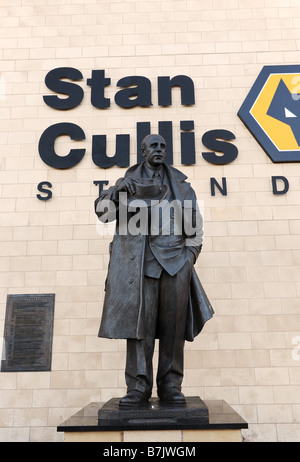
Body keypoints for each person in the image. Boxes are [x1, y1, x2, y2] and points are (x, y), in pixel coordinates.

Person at [95, 134, 214, 407]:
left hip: (176, 264)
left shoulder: (182, 187)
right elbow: (102, 214)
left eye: (163, 146)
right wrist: (116, 192)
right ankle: (138, 387)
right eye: (154, 146)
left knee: (173, 329)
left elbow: (194, 228)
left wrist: (189, 258)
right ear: (143, 151)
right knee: (140, 329)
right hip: (140, 266)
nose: (159, 150)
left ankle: (171, 385)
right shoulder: (127, 184)